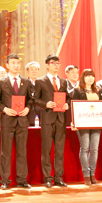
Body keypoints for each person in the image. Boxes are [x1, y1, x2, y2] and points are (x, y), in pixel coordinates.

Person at [0, 54, 33, 189]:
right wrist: (4, 109)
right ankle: (5, 180)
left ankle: (22, 180)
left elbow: (30, 99)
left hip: (22, 120)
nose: (16, 65)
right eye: (13, 63)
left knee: (22, 151)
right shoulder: (0, 82)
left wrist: (27, 108)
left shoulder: (26, 82)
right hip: (7, 121)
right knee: (5, 152)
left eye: (18, 63)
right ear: (7, 65)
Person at [35, 55, 69, 188]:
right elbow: (35, 99)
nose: (55, 65)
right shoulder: (40, 81)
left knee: (60, 150)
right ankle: (48, 178)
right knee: (47, 150)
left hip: (60, 118)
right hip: (47, 119)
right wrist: (45, 104)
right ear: (47, 65)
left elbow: (67, 98)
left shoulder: (63, 81)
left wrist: (66, 104)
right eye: (52, 63)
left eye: (57, 63)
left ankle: (59, 177)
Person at [70, 69, 102, 185]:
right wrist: (73, 122)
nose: (90, 78)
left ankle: (92, 173)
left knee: (94, 149)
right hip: (82, 123)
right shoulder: (77, 90)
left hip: (96, 123)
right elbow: (74, 107)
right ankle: (86, 174)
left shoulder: (98, 90)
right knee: (85, 148)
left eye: (92, 76)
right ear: (83, 78)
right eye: (87, 76)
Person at [25, 61, 41, 126]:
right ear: (27, 71)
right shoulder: (24, 83)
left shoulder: (43, 83)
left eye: (36, 69)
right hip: (28, 112)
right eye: (32, 69)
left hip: (41, 112)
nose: (34, 71)